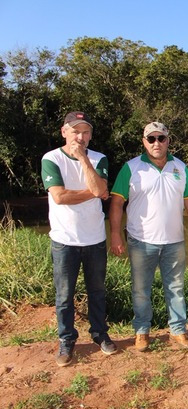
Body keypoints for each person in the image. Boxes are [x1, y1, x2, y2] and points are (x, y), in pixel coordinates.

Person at [110, 122, 188, 352]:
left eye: (161, 138)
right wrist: (115, 234)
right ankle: (141, 331)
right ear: (144, 141)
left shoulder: (181, 167)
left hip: (174, 240)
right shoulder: (132, 168)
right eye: (151, 139)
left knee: (176, 287)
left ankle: (178, 330)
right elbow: (117, 202)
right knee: (141, 289)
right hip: (141, 241)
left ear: (168, 140)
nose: (156, 143)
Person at [41, 111, 117, 367]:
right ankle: (67, 340)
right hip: (64, 240)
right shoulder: (50, 159)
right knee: (64, 295)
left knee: (97, 291)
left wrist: (83, 159)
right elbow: (60, 197)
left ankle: (100, 334)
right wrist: (94, 191)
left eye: (85, 132)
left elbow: (101, 190)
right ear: (64, 132)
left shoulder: (99, 158)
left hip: (94, 239)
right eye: (75, 131)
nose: (80, 137)